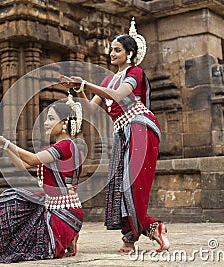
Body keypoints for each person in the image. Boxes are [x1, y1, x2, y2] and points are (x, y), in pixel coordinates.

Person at [59, 18, 170, 253]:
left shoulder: (135, 72)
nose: (112, 54)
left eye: (117, 50)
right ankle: (130, 238)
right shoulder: (107, 79)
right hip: (122, 132)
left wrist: (86, 84)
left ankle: (151, 228)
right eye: (111, 50)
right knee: (120, 184)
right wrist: (75, 91)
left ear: (130, 53)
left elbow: (119, 96)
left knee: (133, 182)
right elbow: (90, 109)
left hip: (140, 126)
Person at [0, 94, 84, 263]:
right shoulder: (55, 148)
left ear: (64, 122)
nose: (46, 123)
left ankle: (67, 234)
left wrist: (7, 143)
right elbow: (23, 165)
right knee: (13, 198)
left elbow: (33, 159)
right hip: (51, 206)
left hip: (63, 211)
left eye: (51, 118)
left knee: (29, 243)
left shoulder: (66, 145)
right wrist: (3, 146)